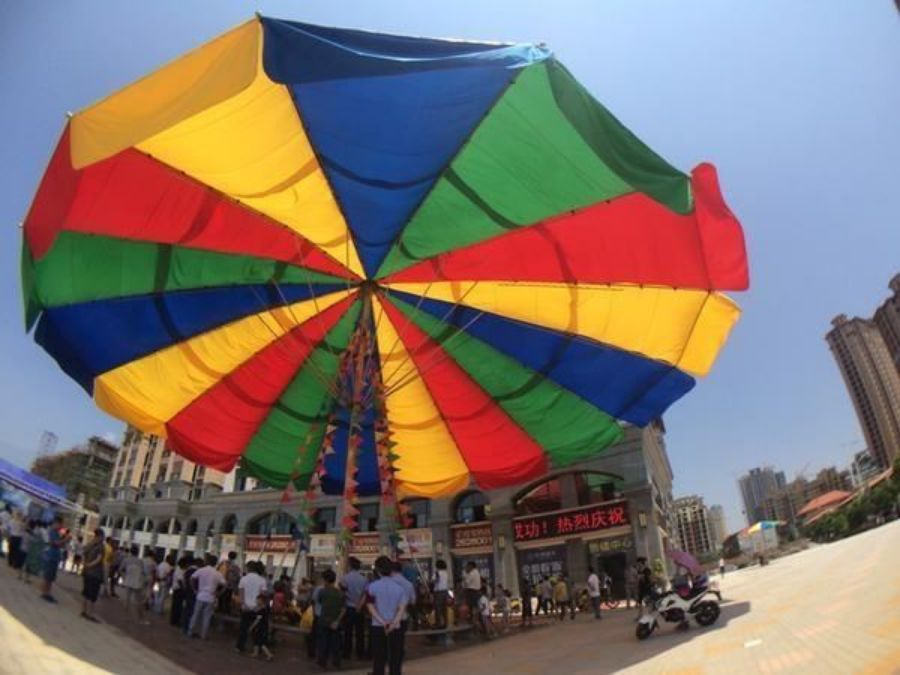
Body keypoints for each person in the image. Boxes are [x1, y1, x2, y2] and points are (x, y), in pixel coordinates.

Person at [367, 556, 407, 675]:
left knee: (379, 657)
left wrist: (382, 622)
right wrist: (394, 622)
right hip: (395, 626)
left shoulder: (372, 587)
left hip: (378, 626)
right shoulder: (399, 588)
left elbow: (370, 607)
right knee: (396, 657)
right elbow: (402, 608)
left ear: (378, 570)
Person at [188, 554, 225, 640]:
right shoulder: (217, 573)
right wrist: (219, 593)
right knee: (207, 617)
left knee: (196, 614)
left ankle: (191, 631)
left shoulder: (201, 570)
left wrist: (194, 589)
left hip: (200, 595)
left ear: (207, 561)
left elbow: (192, 578)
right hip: (211, 597)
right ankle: (203, 635)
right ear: (215, 563)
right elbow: (225, 584)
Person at [236, 560, 268, 654]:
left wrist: (243, 604)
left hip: (245, 607)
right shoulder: (262, 580)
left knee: (243, 628)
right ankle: (256, 648)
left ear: (249, 568)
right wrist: (259, 606)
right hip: (256, 608)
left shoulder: (243, 579)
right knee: (256, 630)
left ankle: (240, 646)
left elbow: (241, 593)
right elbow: (263, 595)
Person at [317, 568, 346, 669]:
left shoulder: (322, 592)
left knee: (323, 643)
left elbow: (320, 602)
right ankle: (336, 662)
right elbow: (343, 609)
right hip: (336, 622)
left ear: (325, 580)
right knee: (336, 644)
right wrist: (337, 620)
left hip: (324, 620)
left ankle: (322, 662)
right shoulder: (340, 593)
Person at [340, 556, 368, 660]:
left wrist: (349, 598)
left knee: (348, 632)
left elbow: (343, 593)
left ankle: (347, 653)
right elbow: (365, 595)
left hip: (349, 607)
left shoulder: (345, 578)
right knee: (360, 632)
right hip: (359, 608)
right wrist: (359, 605)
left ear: (350, 566)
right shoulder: (364, 579)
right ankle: (360, 653)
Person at [390, 561, 415, 664]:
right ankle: (397, 665)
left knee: (388, 642)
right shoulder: (408, 584)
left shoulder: (388, 582)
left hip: (388, 617)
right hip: (403, 616)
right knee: (399, 641)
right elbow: (413, 601)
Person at [40, 515, 70, 603]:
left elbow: (59, 544)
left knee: (51, 576)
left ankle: (47, 592)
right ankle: (45, 592)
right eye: (61, 524)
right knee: (48, 575)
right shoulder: (52, 531)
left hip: (54, 556)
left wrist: (63, 540)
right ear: (56, 523)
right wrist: (65, 540)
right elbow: (55, 543)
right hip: (51, 556)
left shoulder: (56, 532)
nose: (62, 526)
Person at [80, 529, 105, 622]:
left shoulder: (89, 544)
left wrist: (85, 564)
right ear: (100, 536)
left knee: (85, 592)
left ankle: (83, 611)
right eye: (102, 536)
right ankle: (90, 614)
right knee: (92, 595)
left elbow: (83, 554)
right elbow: (99, 559)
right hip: (95, 573)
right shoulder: (101, 547)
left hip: (87, 572)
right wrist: (90, 565)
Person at [121, 545, 149, 624]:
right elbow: (143, 573)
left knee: (126, 600)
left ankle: (125, 617)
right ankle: (141, 619)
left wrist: (124, 577)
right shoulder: (139, 561)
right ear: (137, 552)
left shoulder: (126, 560)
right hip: (137, 582)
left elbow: (120, 570)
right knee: (138, 602)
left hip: (128, 581)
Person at [249, 592, 274, 661]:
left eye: (258, 600)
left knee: (261, 642)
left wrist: (252, 626)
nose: (256, 601)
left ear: (261, 601)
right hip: (261, 627)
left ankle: (269, 654)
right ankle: (255, 652)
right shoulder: (263, 609)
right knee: (256, 640)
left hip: (260, 628)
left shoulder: (262, 610)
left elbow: (257, 620)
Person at [182, 557, 200, 635]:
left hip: (187, 592)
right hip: (194, 593)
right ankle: (189, 628)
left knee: (187, 610)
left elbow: (184, 582)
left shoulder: (187, 571)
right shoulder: (197, 571)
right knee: (192, 611)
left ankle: (185, 627)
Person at [170, 556, 190, 627]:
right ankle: (175, 620)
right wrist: (185, 590)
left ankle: (174, 620)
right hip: (178, 590)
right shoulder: (179, 570)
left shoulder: (180, 570)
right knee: (177, 606)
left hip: (178, 589)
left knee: (177, 606)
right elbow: (180, 581)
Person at [431, 559, 449, 630]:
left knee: (438, 608)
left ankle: (438, 624)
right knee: (444, 608)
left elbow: (433, 581)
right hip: (445, 591)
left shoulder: (437, 573)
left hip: (438, 592)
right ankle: (445, 623)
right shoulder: (446, 573)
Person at [463, 562, 482, 626]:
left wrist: (465, 574)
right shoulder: (477, 572)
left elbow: (466, 582)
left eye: (467, 566)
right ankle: (476, 620)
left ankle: (473, 621)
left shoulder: (472, 573)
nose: (466, 568)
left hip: (472, 592)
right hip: (476, 591)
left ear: (471, 566)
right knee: (475, 606)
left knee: (472, 607)